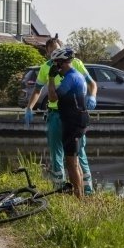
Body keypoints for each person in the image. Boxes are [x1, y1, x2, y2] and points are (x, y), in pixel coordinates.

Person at [24, 37, 97, 194]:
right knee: (57, 153)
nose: (53, 57)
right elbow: (37, 90)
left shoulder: (75, 65)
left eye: (56, 52)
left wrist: (92, 96)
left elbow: (91, 84)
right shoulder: (45, 67)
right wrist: (29, 107)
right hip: (56, 114)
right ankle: (61, 188)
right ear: (47, 53)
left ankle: (86, 190)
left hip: (72, 116)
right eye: (51, 53)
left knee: (77, 155)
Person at [47, 47, 90, 198]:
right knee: (75, 161)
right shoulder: (76, 75)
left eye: (55, 63)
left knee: (71, 163)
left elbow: (52, 97)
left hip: (73, 123)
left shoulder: (71, 78)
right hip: (77, 120)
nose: (54, 66)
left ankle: (78, 198)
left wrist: (50, 78)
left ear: (62, 63)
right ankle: (81, 196)